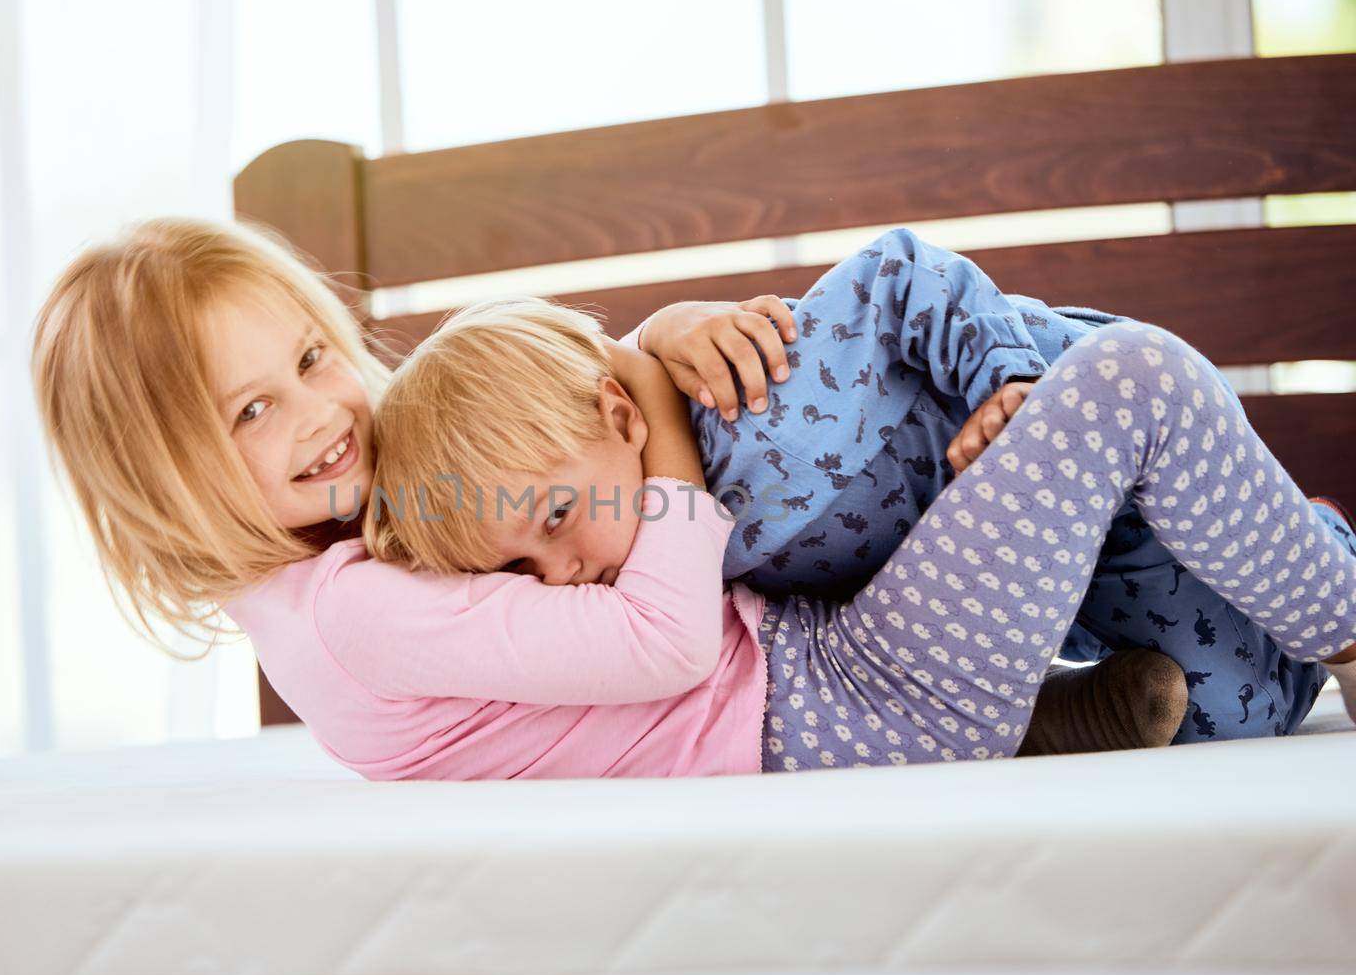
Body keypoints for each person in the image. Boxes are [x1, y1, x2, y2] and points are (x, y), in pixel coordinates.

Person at [365, 239, 1356, 773]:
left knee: (1286, 580)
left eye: (549, 523)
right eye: (522, 571)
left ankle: (1333, 587)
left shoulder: (754, 400)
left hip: (1099, 434)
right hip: (1080, 577)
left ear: (621, 414)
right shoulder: (680, 568)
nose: (564, 574)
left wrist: (1006, 379)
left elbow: (905, 280)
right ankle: (1307, 554)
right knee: (1243, 714)